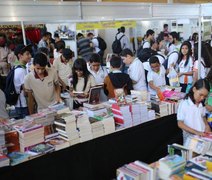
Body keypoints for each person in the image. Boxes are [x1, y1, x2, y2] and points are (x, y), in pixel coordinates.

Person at [177, 78, 211, 143]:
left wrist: (206, 126)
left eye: (205, 96)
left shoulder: (201, 104)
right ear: (194, 89)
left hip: (202, 136)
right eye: (200, 95)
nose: (202, 98)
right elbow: (180, 124)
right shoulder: (185, 103)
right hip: (190, 137)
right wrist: (197, 132)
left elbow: (203, 116)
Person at [13, 44, 32, 119]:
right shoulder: (21, 70)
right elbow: (26, 92)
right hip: (23, 105)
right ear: (20, 56)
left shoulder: (18, 67)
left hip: (21, 104)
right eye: (27, 54)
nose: (30, 56)